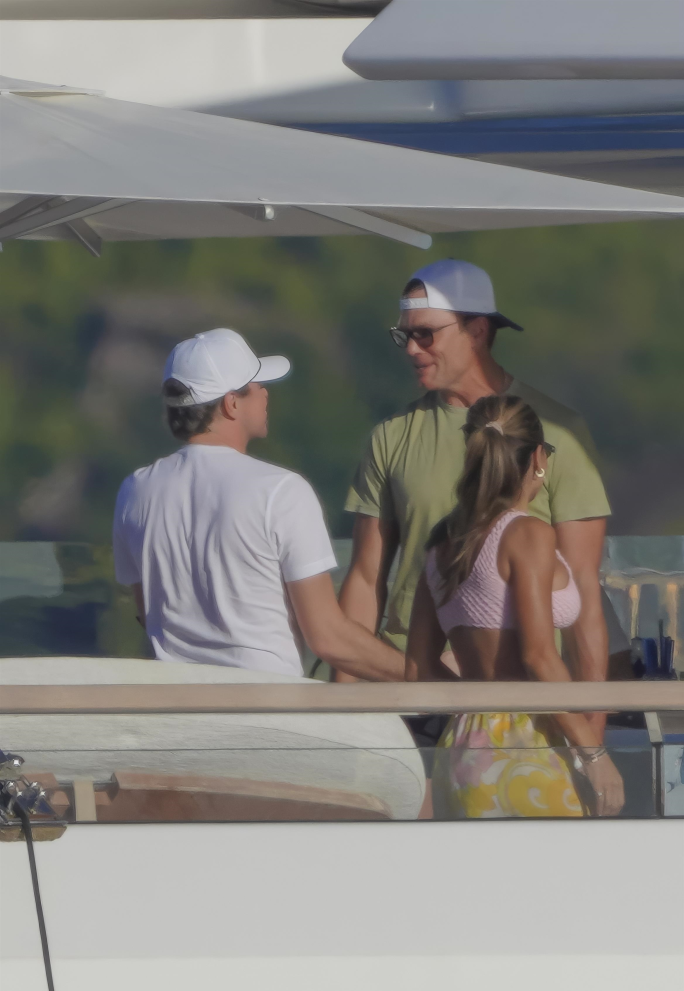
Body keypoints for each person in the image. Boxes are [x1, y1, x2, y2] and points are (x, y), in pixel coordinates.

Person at [339, 259, 613, 730]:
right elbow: (366, 579)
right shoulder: (390, 437)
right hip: (411, 693)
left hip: (525, 706)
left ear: (478, 330)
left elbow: (585, 591)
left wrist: (591, 725)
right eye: (405, 335)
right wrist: (342, 710)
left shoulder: (558, 432)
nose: (411, 349)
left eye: (426, 334)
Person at [113, 328, 404, 681]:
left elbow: (149, 613)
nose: (266, 394)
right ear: (231, 403)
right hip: (266, 712)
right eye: (257, 385)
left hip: (175, 715)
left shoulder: (135, 491)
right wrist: (427, 678)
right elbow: (328, 638)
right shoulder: (280, 491)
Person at [405, 394, 625, 818]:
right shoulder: (529, 535)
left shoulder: (441, 542)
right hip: (526, 744)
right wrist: (593, 754)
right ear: (539, 458)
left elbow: (417, 668)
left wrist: (480, 701)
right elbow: (539, 656)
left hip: (463, 748)